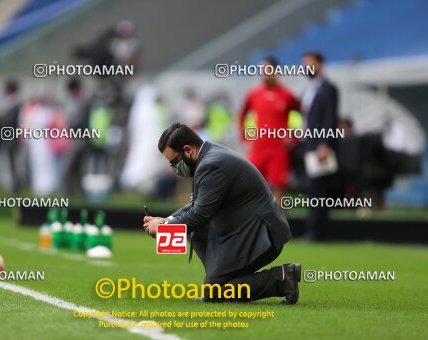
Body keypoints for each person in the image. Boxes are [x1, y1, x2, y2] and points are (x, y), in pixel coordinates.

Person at [143, 123, 301, 303]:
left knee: (215, 293)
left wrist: (164, 227)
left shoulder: (211, 165)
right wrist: (167, 220)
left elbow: (199, 214)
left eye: (174, 161)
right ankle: (224, 276)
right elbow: (196, 205)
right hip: (248, 230)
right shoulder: (207, 158)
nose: (174, 168)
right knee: (196, 233)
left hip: (262, 234)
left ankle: (282, 278)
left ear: (187, 150)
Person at [239, 57, 300, 201]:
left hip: (278, 148)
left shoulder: (286, 95)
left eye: (267, 69)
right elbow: (242, 114)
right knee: (250, 183)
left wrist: (295, 138)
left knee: (279, 188)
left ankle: (278, 223)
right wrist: (244, 137)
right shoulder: (254, 94)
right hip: (259, 146)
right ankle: (253, 221)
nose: (263, 73)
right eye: (261, 70)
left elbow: (303, 113)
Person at [300, 51, 339, 240]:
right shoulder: (311, 89)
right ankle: (317, 229)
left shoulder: (328, 88)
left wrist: (324, 143)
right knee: (313, 187)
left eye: (309, 63)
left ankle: (317, 230)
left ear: (320, 64)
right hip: (309, 144)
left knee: (318, 188)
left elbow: (330, 118)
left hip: (319, 146)